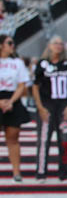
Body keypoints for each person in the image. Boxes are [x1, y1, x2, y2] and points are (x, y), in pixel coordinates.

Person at [32, 35, 67, 182]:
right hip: (47, 105)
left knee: (65, 139)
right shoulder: (42, 64)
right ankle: (41, 172)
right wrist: (40, 107)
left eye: (60, 43)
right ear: (49, 46)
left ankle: (64, 172)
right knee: (44, 140)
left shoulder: (66, 64)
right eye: (55, 43)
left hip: (63, 105)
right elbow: (35, 87)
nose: (58, 46)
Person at [0, 35, 31, 183]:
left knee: (13, 138)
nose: (13, 45)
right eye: (9, 43)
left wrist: (11, 101)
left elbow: (22, 85)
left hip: (12, 99)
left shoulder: (18, 62)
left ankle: (16, 172)